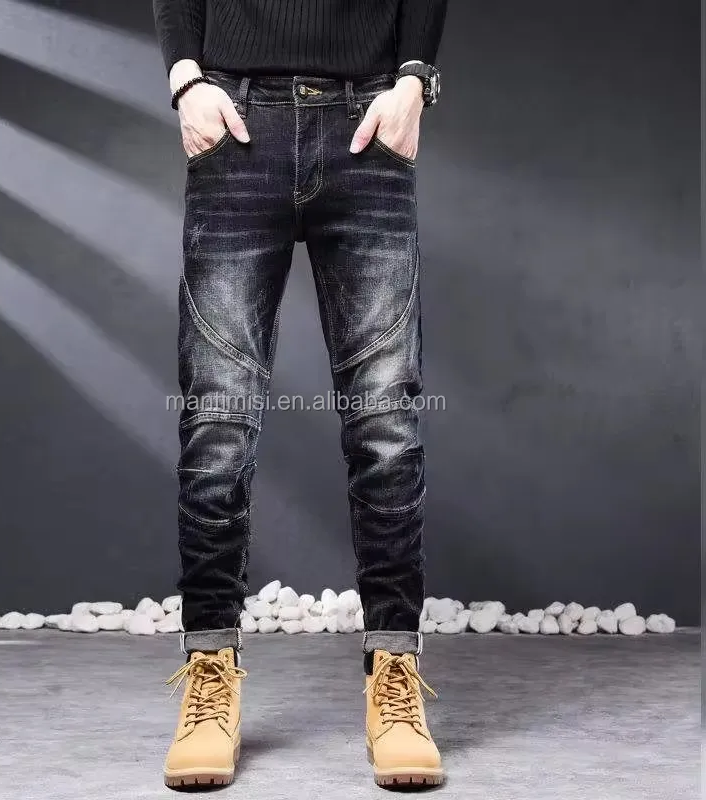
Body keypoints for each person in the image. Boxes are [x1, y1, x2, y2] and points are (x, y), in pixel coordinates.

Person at [152, 0, 448, 788]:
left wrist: (414, 81)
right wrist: (185, 80)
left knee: (386, 422)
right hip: (236, 124)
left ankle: (395, 674)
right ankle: (209, 674)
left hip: (367, 125)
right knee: (217, 423)